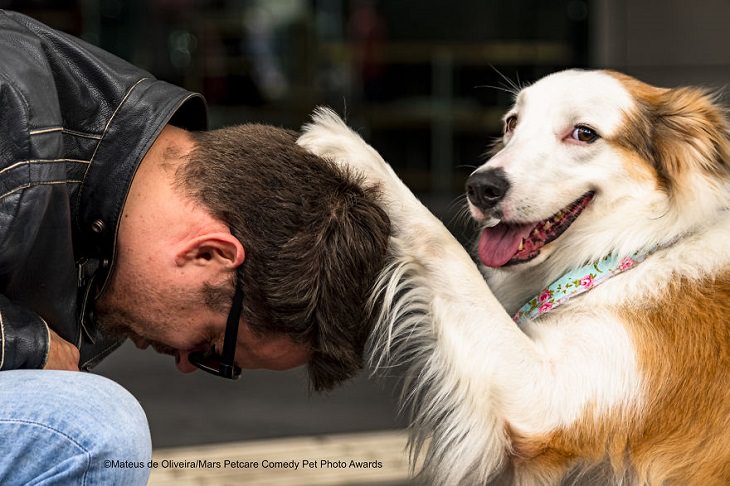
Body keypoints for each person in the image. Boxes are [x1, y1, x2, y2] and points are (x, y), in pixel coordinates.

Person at [0, 10, 390, 485]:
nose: (186, 364)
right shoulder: (12, 101)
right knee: (88, 430)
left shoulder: (103, 218)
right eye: (212, 350)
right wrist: (23, 343)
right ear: (210, 254)